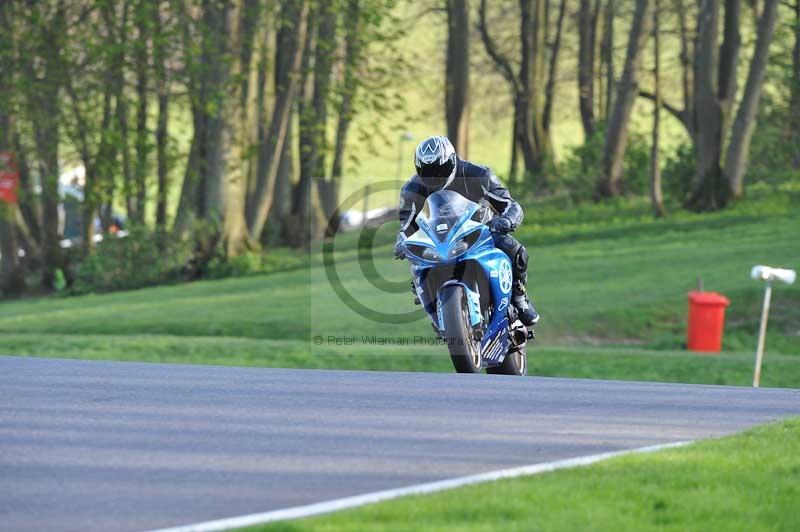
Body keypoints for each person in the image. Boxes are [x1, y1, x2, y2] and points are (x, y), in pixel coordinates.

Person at [394, 135, 539, 326]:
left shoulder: (479, 174)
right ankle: (438, 312)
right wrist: (401, 242)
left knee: (515, 250)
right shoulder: (412, 189)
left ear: (453, 160)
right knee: (417, 266)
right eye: (427, 171)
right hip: (438, 241)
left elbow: (509, 204)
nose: (434, 176)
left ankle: (519, 297)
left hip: (481, 233)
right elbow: (407, 225)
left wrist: (505, 220)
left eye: (439, 169)